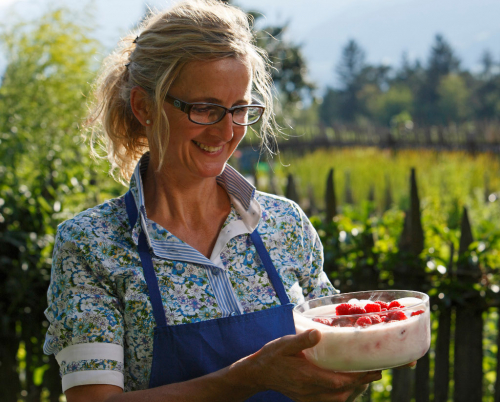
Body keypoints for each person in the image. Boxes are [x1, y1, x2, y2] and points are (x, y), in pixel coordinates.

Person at [43, 1, 383, 401]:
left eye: (239, 108)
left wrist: (369, 354)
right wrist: (248, 377)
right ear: (144, 106)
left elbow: (326, 374)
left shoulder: (284, 224)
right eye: (205, 109)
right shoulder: (92, 245)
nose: (227, 131)